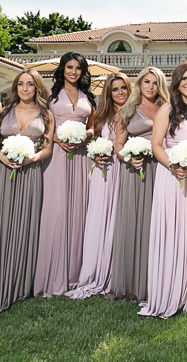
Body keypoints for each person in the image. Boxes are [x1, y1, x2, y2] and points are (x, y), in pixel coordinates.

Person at [0, 69, 54, 313]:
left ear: (37, 88)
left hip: (30, 173)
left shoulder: (47, 114)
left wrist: (33, 158)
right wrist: (1, 157)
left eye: (30, 84)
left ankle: (19, 284)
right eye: (20, 84)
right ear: (15, 87)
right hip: (2, 172)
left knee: (24, 224)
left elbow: (48, 148)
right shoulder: (4, 111)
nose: (24, 88)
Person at [139, 62, 187, 318]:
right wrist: (172, 165)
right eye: (184, 78)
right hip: (173, 177)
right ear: (176, 82)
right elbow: (156, 144)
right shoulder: (168, 108)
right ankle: (171, 289)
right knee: (175, 229)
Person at [35, 52, 96, 297]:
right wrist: (58, 138)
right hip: (55, 156)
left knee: (78, 208)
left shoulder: (88, 97)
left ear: (83, 72)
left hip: (80, 157)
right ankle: (50, 271)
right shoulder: (49, 94)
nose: (73, 72)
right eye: (69, 67)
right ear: (62, 69)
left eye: (78, 68)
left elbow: (93, 127)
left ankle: (76, 272)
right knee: (56, 209)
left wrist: (84, 137)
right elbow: (39, 124)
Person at [66, 72, 131, 300]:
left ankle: (116, 271)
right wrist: (94, 154)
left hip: (125, 170)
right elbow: (93, 140)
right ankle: (95, 270)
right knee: (99, 218)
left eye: (123, 88)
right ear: (109, 93)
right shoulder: (103, 115)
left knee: (119, 219)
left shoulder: (134, 113)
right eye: (115, 89)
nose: (120, 92)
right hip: (104, 171)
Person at [107, 66, 169, 303]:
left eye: (155, 83)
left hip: (160, 170)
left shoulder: (167, 109)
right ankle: (132, 283)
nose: (150, 87)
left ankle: (157, 282)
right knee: (133, 222)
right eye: (146, 82)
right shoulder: (128, 110)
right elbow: (118, 144)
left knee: (156, 223)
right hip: (134, 171)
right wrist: (128, 158)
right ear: (140, 84)